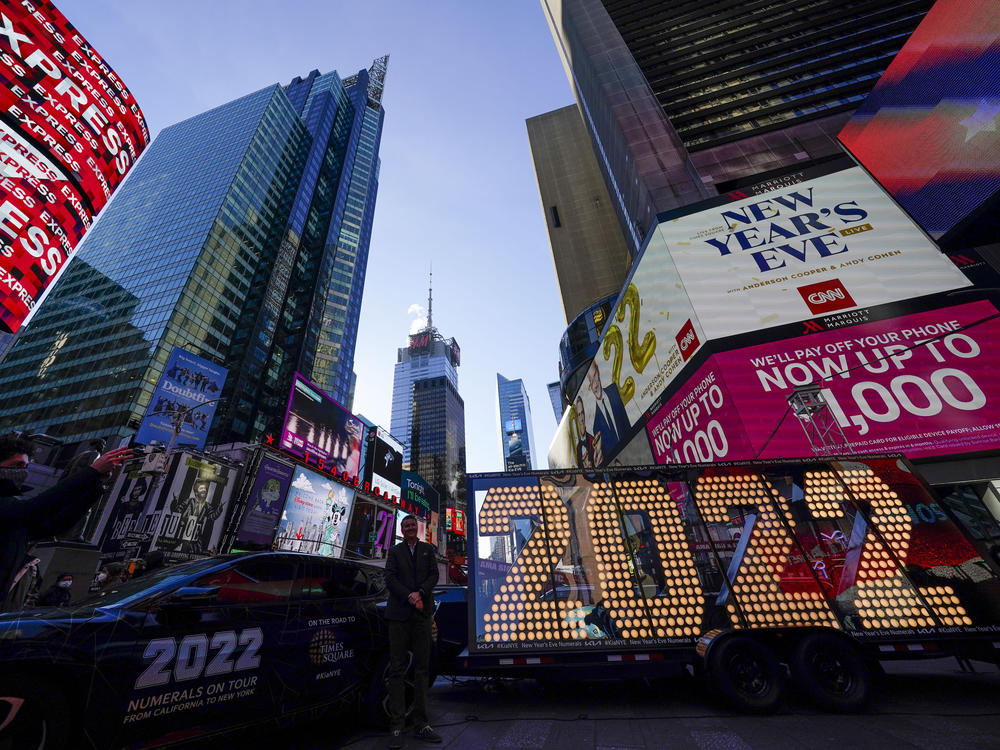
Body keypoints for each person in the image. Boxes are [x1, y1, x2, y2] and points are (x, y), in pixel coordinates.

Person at [0, 435, 132, 611]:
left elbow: (57, 524)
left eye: (25, 466)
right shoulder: (11, 508)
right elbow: (37, 508)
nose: (22, 472)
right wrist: (91, 473)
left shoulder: (17, 515)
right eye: (16, 465)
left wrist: (96, 483)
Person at [384, 515, 441, 747]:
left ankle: (422, 723)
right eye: (405, 525)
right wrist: (409, 595)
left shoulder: (428, 549)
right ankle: (397, 725)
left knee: (421, 669)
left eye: (412, 525)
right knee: (396, 670)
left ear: (417, 529)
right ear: (401, 529)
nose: (409, 528)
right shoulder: (395, 551)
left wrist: (420, 592)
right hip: (398, 615)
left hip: (421, 616)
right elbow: (389, 578)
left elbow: (434, 575)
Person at [587, 361, 628, 454]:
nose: (595, 385)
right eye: (591, 382)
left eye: (595, 376)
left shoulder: (614, 391)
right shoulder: (595, 427)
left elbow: (627, 424)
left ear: (599, 372)